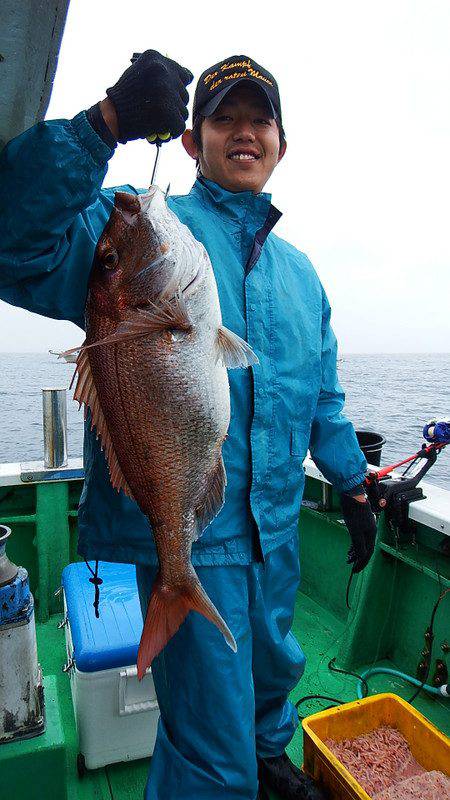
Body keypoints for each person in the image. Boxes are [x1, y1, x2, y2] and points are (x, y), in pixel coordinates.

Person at [0, 51, 377, 800]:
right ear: (189, 140)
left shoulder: (300, 273)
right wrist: (103, 125)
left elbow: (319, 398)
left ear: (281, 143)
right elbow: (14, 237)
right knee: (211, 757)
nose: (243, 133)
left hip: (276, 529)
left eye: (258, 119)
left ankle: (271, 755)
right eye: (222, 118)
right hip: (190, 537)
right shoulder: (130, 230)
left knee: (273, 674)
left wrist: (356, 483)